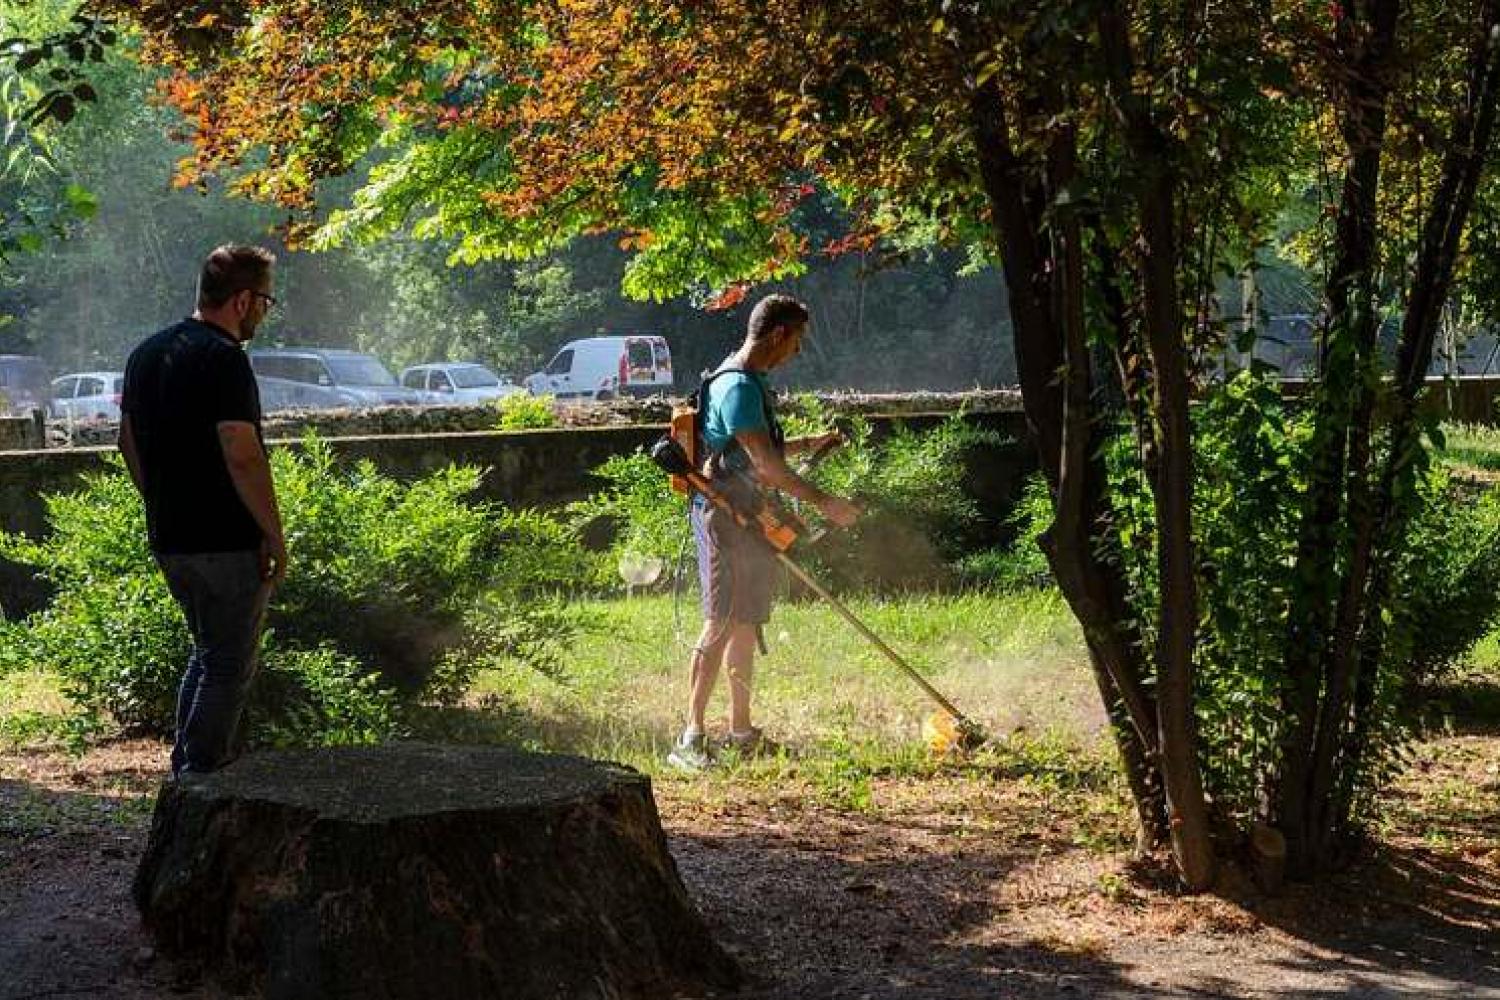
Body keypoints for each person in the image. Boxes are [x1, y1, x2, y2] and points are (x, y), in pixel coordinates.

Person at [667, 294, 861, 771]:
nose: (797, 352)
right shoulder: (737, 386)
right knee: (720, 621)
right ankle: (690, 739)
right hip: (724, 515)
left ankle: (740, 732)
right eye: (797, 341)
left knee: (746, 621)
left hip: (748, 514)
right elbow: (767, 468)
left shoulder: (747, 381)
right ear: (778, 335)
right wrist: (826, 504)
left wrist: (809, 443)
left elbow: (746, 449)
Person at [118, 244, 286, 777]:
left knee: (208, 652)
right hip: (226, 540)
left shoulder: (146, 353)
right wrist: (273, 534)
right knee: (228, 663)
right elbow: (241, 452)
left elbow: (126, 441)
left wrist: (162, 501)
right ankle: (201, 777)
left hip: (171, 537)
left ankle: (185, 772)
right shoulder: (224, 359)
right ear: (241, 300)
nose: (265, 311)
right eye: (265, 300)